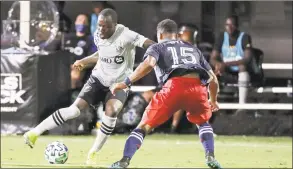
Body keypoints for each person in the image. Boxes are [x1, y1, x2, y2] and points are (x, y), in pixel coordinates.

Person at [23, 8, 155, 164]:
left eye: (106, 26)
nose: (101, 29)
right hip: (98, 78)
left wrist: (159, 54)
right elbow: (102, 54)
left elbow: (151, 45)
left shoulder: (126, 35)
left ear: (115, 25)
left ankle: (93, 152)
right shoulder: (99, 35)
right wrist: (84, 61)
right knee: (73, 110)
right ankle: (34, 133)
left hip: (119, 84)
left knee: (111, 111)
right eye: (99, 25)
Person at [110, 19, 222, 169]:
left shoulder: (157, 46)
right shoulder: (193, 48)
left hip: (173, 86)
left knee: (143, 127)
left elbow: (148, 64)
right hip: (197, 87)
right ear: (176, 35)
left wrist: (126, 82)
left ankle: (124, 161)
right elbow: (213, 79)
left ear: (160, 34)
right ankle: (210, 156)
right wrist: (213, 100)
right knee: (203, 122)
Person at [210, 15, 252, 109]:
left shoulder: (244, 37)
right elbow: (212, 58)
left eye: (232, 25)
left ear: (237, 26)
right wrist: (218, 65)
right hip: (226, 71)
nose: (229, 27)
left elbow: (247, 59)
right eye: (227, 25)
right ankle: (210, 102)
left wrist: (224, 64)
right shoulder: (221, 37)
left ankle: (242, 106)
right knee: (211, 68)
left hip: (240, 71)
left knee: (242, 66)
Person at [64, 14, 93, 89]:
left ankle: (71, 94)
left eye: (84, 22)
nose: (82, 23)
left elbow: (92, 60)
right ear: (75, 22)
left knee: (75, 72)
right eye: (80, 20)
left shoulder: (90, 40)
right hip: (63, 68)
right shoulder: (66, 38)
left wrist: (78, 66)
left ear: (87, 25)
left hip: (79, 69)